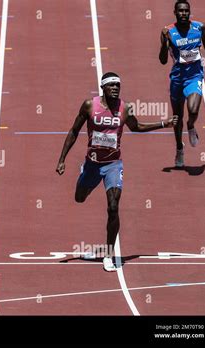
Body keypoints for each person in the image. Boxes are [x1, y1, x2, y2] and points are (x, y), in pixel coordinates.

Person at [56, 72, 177, 272]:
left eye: (118, 85)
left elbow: (136, 127)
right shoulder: (89, 105)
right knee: (79, 198)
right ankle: (83, 175)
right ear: (102, 87)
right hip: (92, 165)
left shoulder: (125, 108)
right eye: (111, 85)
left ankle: (109, 254)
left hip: (113, 165)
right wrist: (62, 159)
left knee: (113, 207)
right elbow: (74, 131)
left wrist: (164, 123)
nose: (115, 88)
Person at [159, 0, 205, 167]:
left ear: (189, 12)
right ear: (175, 12)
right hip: (177, 79)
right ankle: (179, 149)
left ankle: (191, 126)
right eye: (180, 11)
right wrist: (164, 42)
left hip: (194, 77)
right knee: (177, 118)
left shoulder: (200, 27)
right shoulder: (168, 31)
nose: (184, 13)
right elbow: (163, 60)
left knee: (193, 110)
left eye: (186, 11)